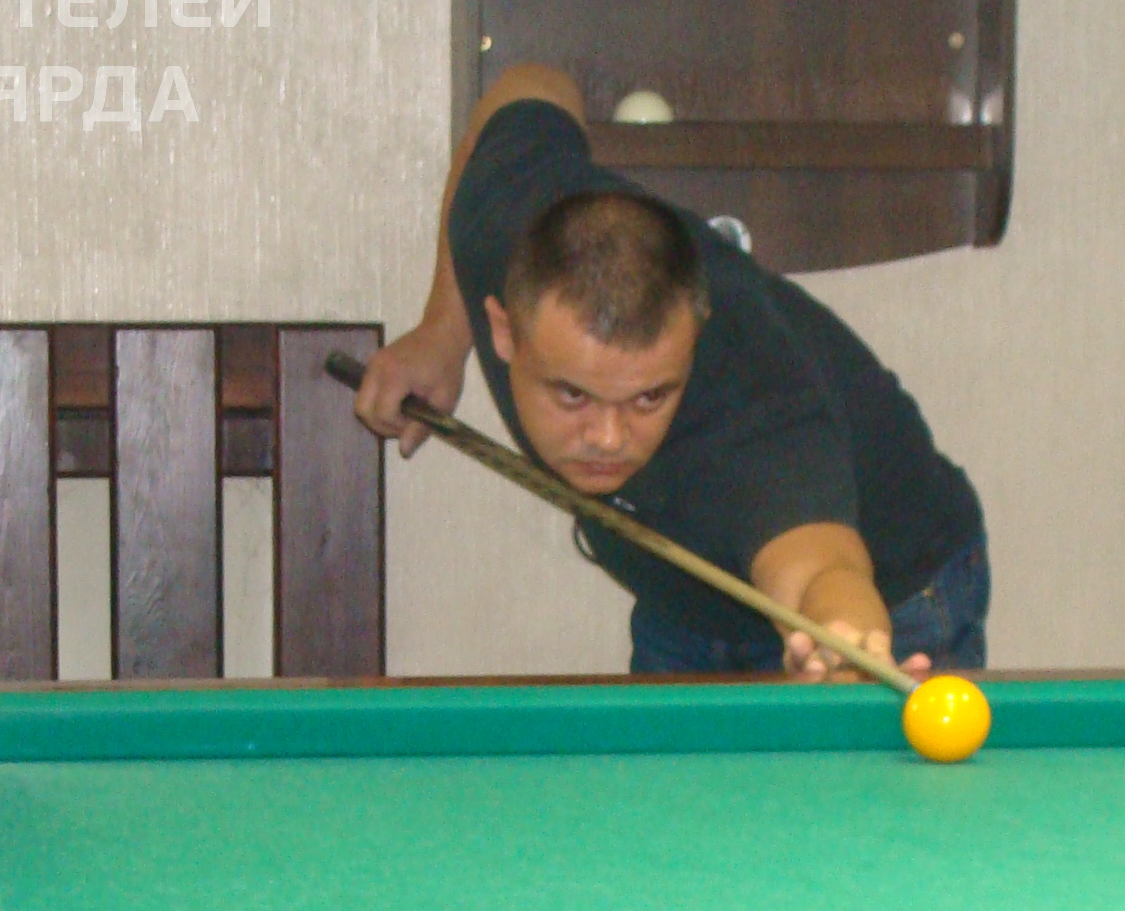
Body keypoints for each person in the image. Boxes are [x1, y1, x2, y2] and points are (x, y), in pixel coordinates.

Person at [358, 63, 989, 680]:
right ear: (504, 329)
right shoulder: (501, 213)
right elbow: (531, 83)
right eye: (573, 395)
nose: (608, 437)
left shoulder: (754, 410)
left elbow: (824, 573)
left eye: (649, 398)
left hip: (894, 594)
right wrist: (442, 334)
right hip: (680, 592)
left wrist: (842, 649)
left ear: (693, 341)